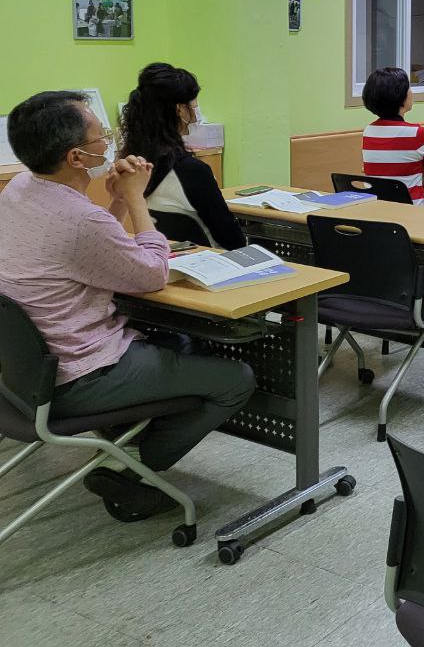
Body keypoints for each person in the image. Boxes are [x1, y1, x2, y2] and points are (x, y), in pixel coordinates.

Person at [0, 91, 255, 522]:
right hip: (79, 377)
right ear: (77, 157)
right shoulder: (81, 220)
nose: (111, 143)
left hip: (20, 378)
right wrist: (136, 200)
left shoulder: (22, 188)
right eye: (102, 136)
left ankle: (124, 443)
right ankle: (127, 470)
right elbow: (151, 272)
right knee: (236, 379)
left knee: (174, 344)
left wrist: (115, 197)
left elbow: (92, 248)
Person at [120, 62, 245, 250]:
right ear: (179, 109)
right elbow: (233, 240)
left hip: (168, 260)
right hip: (213, 265)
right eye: (193, 103)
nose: (196, 111)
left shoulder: (133, 163)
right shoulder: (192, 170)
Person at [360, 67, 424, 205]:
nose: (411, 92)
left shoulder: (368, 131)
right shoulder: (419, 134)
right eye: (408, 88)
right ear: (400, 96)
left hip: (378, 211)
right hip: (411, 214)